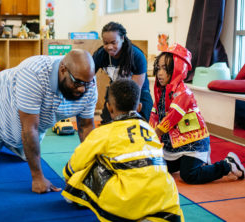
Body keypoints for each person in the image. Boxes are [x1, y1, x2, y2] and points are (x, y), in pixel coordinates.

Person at [0, 49, 98, 194]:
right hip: (0, 104)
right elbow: (29, 129)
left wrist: (91, 172)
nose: (83, 89)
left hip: (34, 117)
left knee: (25, 155)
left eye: (87, 83)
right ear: (63, 70)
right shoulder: (34, 73)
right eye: (77, 82)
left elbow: (86, 127)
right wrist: (38, 178)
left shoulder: (88, 84)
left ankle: (7, 139)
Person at [62, 79, 184, 222]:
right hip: (166, 201)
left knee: (89, 166)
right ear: (139, 107)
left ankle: (130, 214)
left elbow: (77, 161)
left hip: (126, 203)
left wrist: (69, 176)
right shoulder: (150, 130)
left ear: (109, 108)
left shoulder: (104, 132)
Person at [150, 44, 245, 184]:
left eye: (165, 68)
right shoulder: (162, 91)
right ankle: (192, 163)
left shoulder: (184, 93)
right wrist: (148, 132)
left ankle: (228, 164)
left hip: (193, 143)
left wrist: (154, 133)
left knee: (189, 176)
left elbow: (172, 117)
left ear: (177, 69)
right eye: (158, 67)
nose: (159, 72)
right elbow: (154, 113)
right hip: (173, 145)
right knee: (157, 167)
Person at [92, 22, 153, 124]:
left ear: (122, 39)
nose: (109, 47)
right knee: (108, 125)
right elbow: (88, 76)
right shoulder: (101, 55)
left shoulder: (137, 56)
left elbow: (135, 90)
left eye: (113, 42)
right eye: (106, 43)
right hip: (115, 90)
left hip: (139, 93)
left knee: (136, 125)